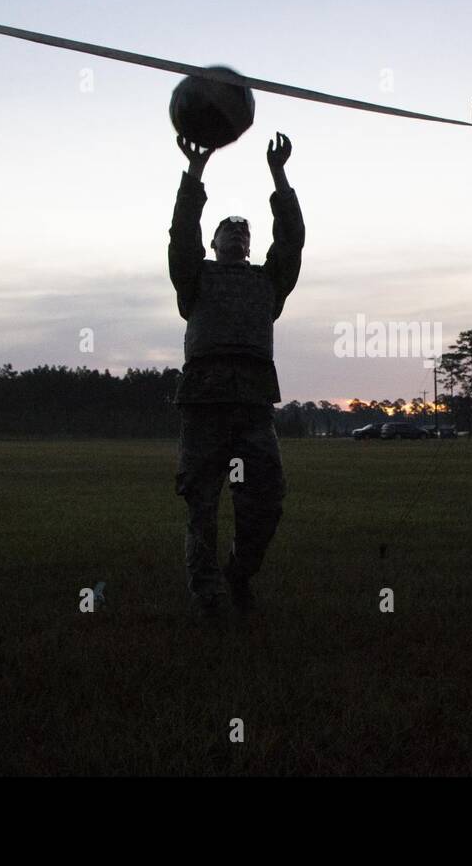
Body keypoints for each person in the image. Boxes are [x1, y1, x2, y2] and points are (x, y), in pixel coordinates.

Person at [168, 131, 304, 617]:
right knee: (201, 506)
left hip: (251, 408)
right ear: (214, 241)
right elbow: (182, 232)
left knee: (265, 501)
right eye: (229, 228)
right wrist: (195, 172)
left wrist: (279, 175)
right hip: (204, 406)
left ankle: (239, 574)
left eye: (245, 230)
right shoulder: (195, 276)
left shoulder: (268, 282)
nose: (239, 232)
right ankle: (207, 596)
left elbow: (291, 240)